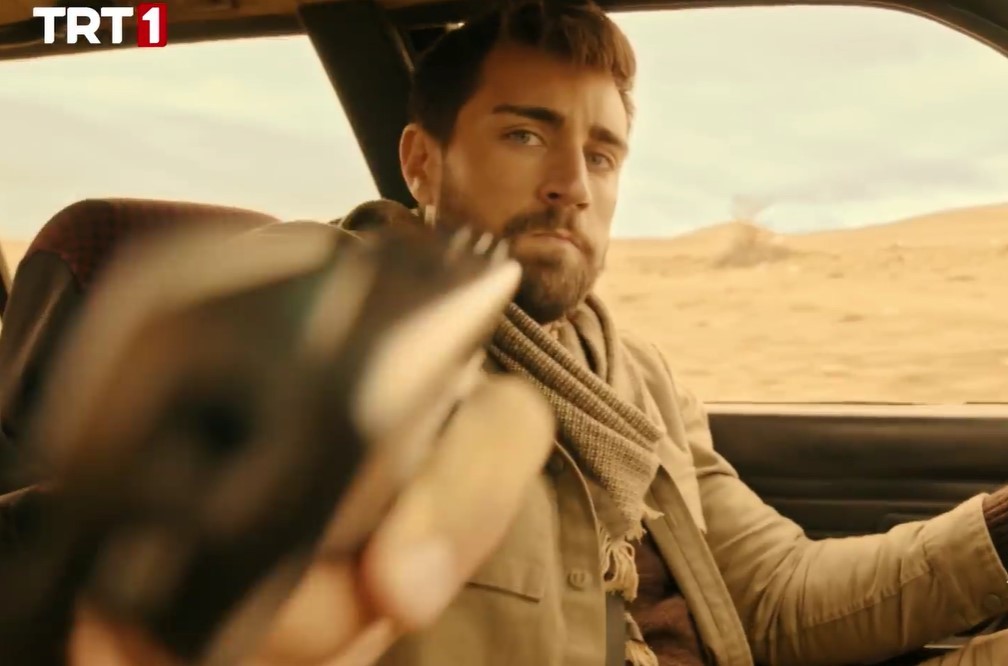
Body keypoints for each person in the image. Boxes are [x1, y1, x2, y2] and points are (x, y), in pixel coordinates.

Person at [70, 0, 1008, 664]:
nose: (572, 183)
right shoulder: (357, 322)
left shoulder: (632, 375)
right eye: (525, 135)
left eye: (601, 154)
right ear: (422, 163)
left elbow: (773, 597)